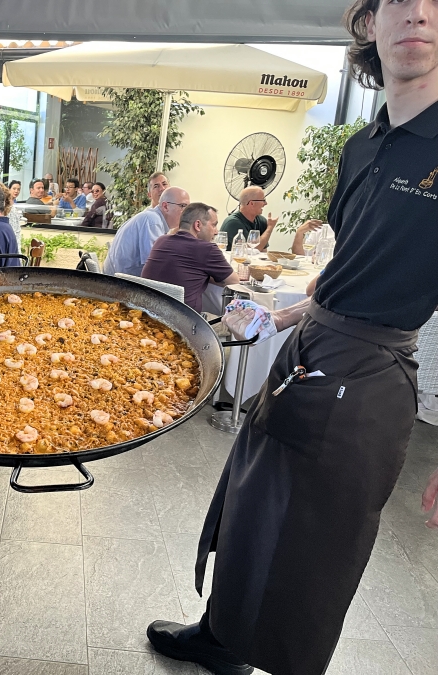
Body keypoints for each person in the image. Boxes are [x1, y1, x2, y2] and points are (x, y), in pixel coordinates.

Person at [146, 2, 438, 675]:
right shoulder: (362, 145)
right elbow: (345, 268)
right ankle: (222, 637)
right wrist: (272, 320)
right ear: (370, 23)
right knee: (251, 500)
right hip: (308, 353)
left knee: (313, 544)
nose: (418, 13)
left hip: (371, 380)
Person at [141, 203, 238, 313]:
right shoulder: (207, 249)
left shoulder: (161, 240)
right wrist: (209, 274)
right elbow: (234, 281)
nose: (216, 232)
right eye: (214, 225)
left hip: (147, 311)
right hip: (184, 317)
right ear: (198, 225)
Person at [103, 186, 190, 276]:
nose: (186, 213)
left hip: (119, 279)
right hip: (118, 282)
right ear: (165, 206)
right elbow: (155, 265)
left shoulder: (152, 218)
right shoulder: (152, 221)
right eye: (183, 206)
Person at [221, 186, 324, 253]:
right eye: (263, 200)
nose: (265, 203)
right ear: (251, 203)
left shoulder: (261, 221)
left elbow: (263, 251)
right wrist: (270, 228)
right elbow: (252, 250)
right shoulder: (232, 223)